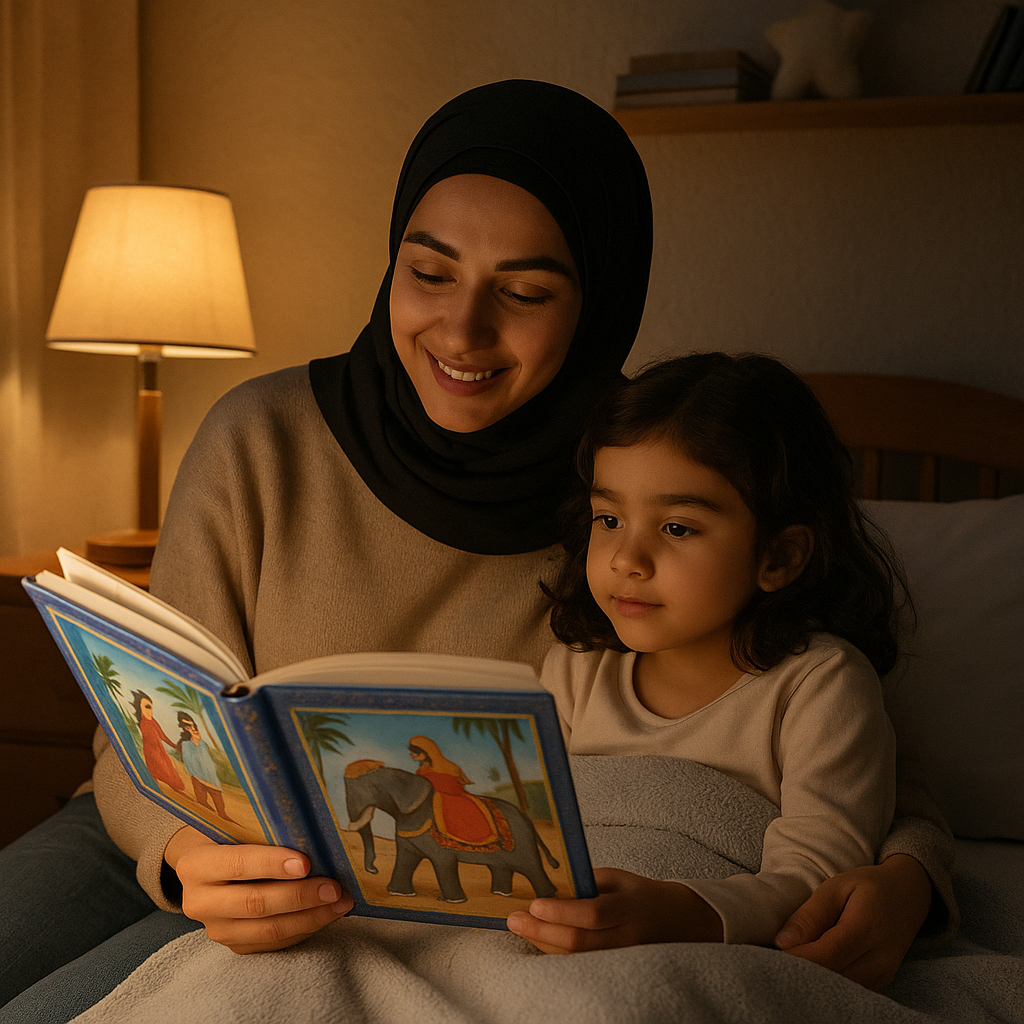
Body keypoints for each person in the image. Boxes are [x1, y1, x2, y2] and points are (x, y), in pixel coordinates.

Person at [0, 81, 949, 1020]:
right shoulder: (259, 439)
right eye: (429, 271)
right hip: (167, 841)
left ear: (599, 302)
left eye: (526, 291)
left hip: (360, 898)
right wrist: (179, 852)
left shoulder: (639, 477)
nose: (462, 331)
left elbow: (832, 753)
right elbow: (144, 726)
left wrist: (910, 876)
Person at [509, 351, 914, 954]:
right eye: (609, 518)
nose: (627, 559)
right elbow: (536, 834)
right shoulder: (577, 666)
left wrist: (686, 914)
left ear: (779, 557)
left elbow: (820, 876)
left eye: (677, 527)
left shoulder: (821, 684)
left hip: (703, 940)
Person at [408, 736, 498, 847]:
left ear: (426, 753)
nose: (411, 755)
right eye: (411, 752)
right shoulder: (422, 767)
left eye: (414, 752)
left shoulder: (448, 767)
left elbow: (453, 787)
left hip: (450, 796)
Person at [132, 691, 186, 794]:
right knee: (156, 771)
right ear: (140, 708)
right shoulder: (144, 723)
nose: (151, 710)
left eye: (151, 707)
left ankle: (174, 788)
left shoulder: (153, 721)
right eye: (147, 707)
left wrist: (175, 746)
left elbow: (163, 736)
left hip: (160, 751)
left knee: (168, 770)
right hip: (151, 752)